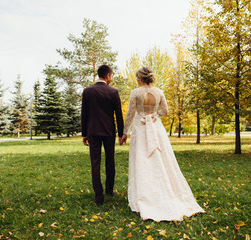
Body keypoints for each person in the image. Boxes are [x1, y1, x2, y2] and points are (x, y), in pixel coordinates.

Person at [120, 67, 205, 221]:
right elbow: (165, 111)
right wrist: (154, 115)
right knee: (160, 157)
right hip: (155, 127)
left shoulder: (135, 93)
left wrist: (125, 132)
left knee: (142, 159)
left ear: (140, 78)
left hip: (140, 127)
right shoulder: (159, 92)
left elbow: (130, 114)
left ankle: (145, 196)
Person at [81, 65, 124, 205]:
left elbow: (84, 114)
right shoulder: (113, 92)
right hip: (108, 132)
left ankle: (98, 196)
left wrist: (84, 133)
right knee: (110, 161)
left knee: (95, 163)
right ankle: (109, 190)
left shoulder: (87, 91)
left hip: (92, 131)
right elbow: (118, 114)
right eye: (111, 76)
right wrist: (121, 133)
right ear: (107, 76)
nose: (111, 78)